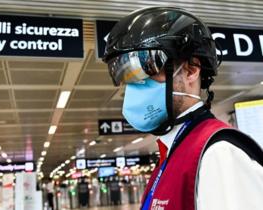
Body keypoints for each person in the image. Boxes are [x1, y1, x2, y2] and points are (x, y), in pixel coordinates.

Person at [102, 7, 263, 210]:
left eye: (147, 68)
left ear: (191, 70)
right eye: (126, 75)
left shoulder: (219, 154)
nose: (134, 86)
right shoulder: (173, 152)